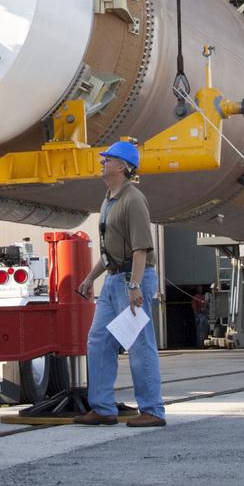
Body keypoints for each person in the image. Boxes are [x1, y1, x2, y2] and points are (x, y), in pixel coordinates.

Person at [74, 141, 165, 428]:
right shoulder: (109, 199)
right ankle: (102, 408)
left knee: (139, 345)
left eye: (108, 159)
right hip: (114, 279)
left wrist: (136, 286)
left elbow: (141, 249)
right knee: (98, 341)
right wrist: (90, 278)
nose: (102, 162)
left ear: (123, 167)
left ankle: (152, 410)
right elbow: (108, 252)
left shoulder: (133, 199)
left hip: (131, 280)